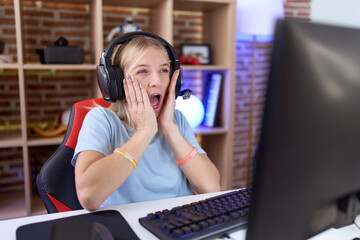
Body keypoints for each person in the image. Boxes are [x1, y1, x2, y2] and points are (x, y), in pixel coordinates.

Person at [71, 35, 221, 211]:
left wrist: (170, 129)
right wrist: (145, 130)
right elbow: (89, 197)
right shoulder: (101, 120)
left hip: (179, 223)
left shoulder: (177, 120)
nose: (156, 81)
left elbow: (211, 188)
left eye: (164, 70)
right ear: (116, 82)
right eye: (143, 71)